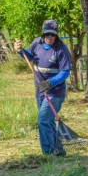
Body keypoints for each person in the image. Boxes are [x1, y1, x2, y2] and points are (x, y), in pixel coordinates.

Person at [14, 20, 71, 156]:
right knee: (49, 121)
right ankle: (58, 150)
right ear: (43, 34)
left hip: (55, 92)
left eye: (52, 35)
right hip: (40, 90)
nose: (49, 38)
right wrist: (20, 51)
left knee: (43, 120)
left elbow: (65, 72)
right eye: (46, 35)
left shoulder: (61, 50)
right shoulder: (37, 43)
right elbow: (30, 57)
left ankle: (48, 153)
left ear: (56, 35)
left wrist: (50, 83)